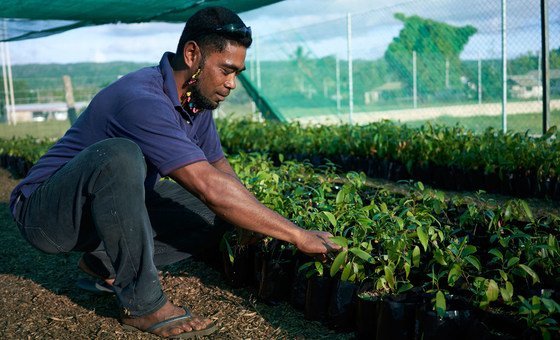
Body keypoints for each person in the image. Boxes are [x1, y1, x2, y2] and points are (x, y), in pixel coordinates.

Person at [9, 6, 341, 338]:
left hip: (103, 210)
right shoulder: (141, 98)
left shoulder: (196, 102)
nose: (232, 84)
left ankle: (103, 263)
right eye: (226, 70)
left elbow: (219, 170)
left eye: (238, 72)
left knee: (220, 214)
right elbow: (209, 186)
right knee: (120, 155)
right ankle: (143, 304)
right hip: (47, 214)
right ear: (193, 54)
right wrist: (298, 234)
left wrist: (257, 222)